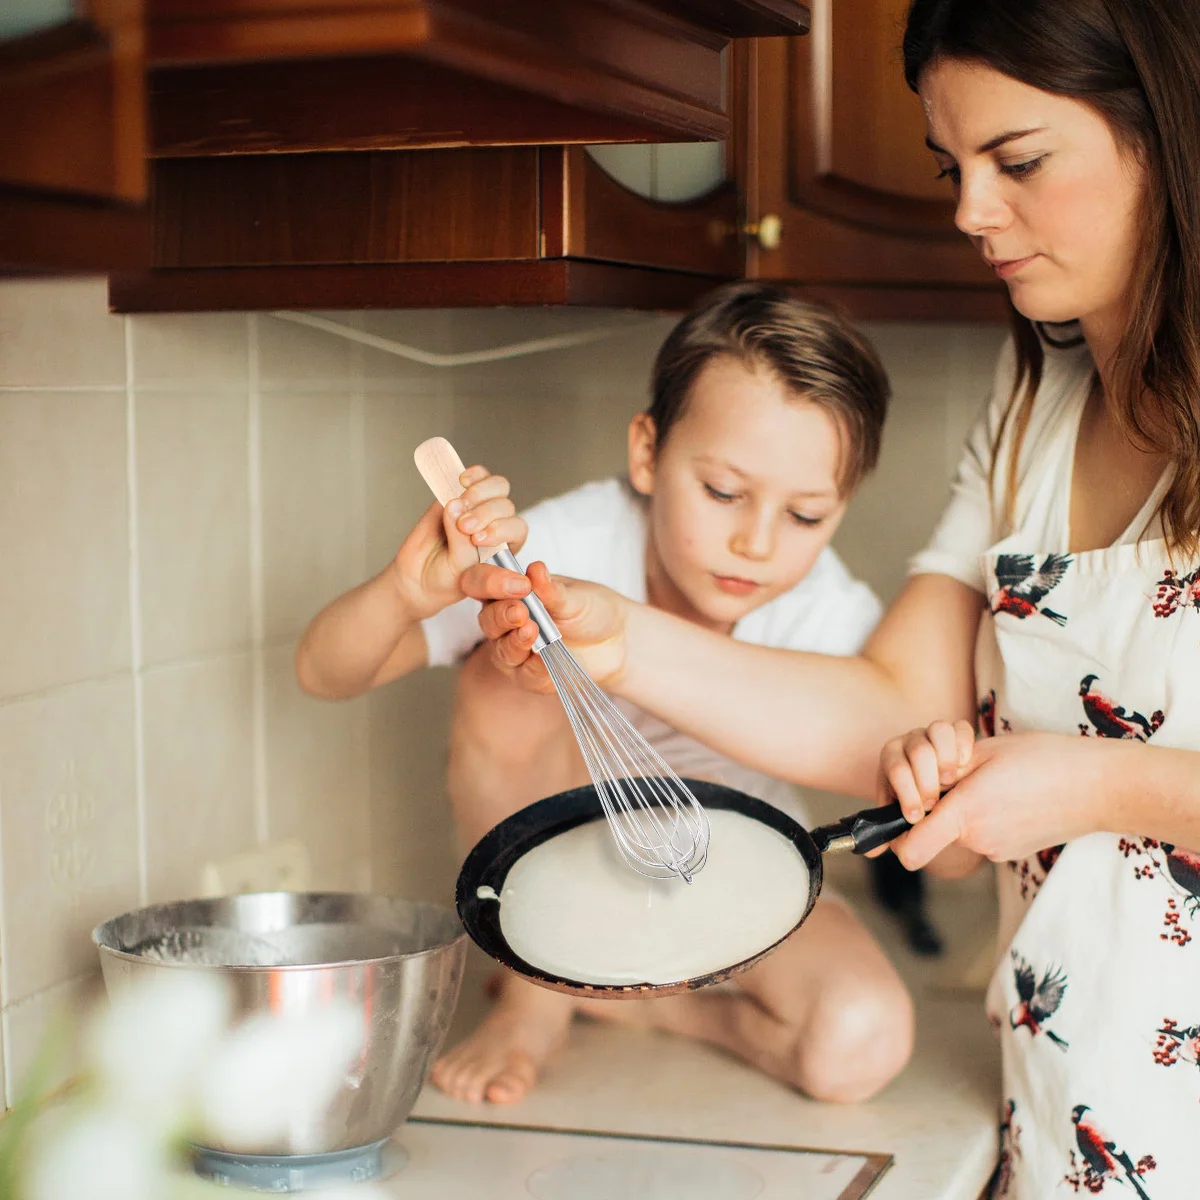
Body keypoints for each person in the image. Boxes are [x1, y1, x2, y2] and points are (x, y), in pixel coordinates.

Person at [460, 2, 1200, 1195]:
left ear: (1167, 136)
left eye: (1017, 161)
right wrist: (619, 637)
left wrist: (1100, 782)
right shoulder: (1032, 420)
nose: (968, 211)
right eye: (952, 166)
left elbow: (1097, 773)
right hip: (1075, 1109)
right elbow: (887, 706)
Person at [297, 282, 915, 1108]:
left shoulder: (829, 612)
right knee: (507, 655)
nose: (756, 543)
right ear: (647, 454)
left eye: (805, 515)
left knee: (861, 1042)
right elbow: (325, 672)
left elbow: (903, 771)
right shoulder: (564, 548)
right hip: (562, 884)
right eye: (725, 492)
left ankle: (650, 1008)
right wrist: (406, 594)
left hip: (735, 882)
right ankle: (541, 989)